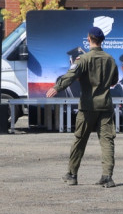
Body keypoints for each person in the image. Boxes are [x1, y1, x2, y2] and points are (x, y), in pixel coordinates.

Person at [46, 26, 119, 188]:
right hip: (105, 106)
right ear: (102, 41)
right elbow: (114, 81)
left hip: (87, 107)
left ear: (89, 39)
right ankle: (107, 177)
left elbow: (71, 76)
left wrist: (57, 87)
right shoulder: (111, 59)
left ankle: (72, 175)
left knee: (80, 140)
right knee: (107, 141)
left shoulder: (83, 59)